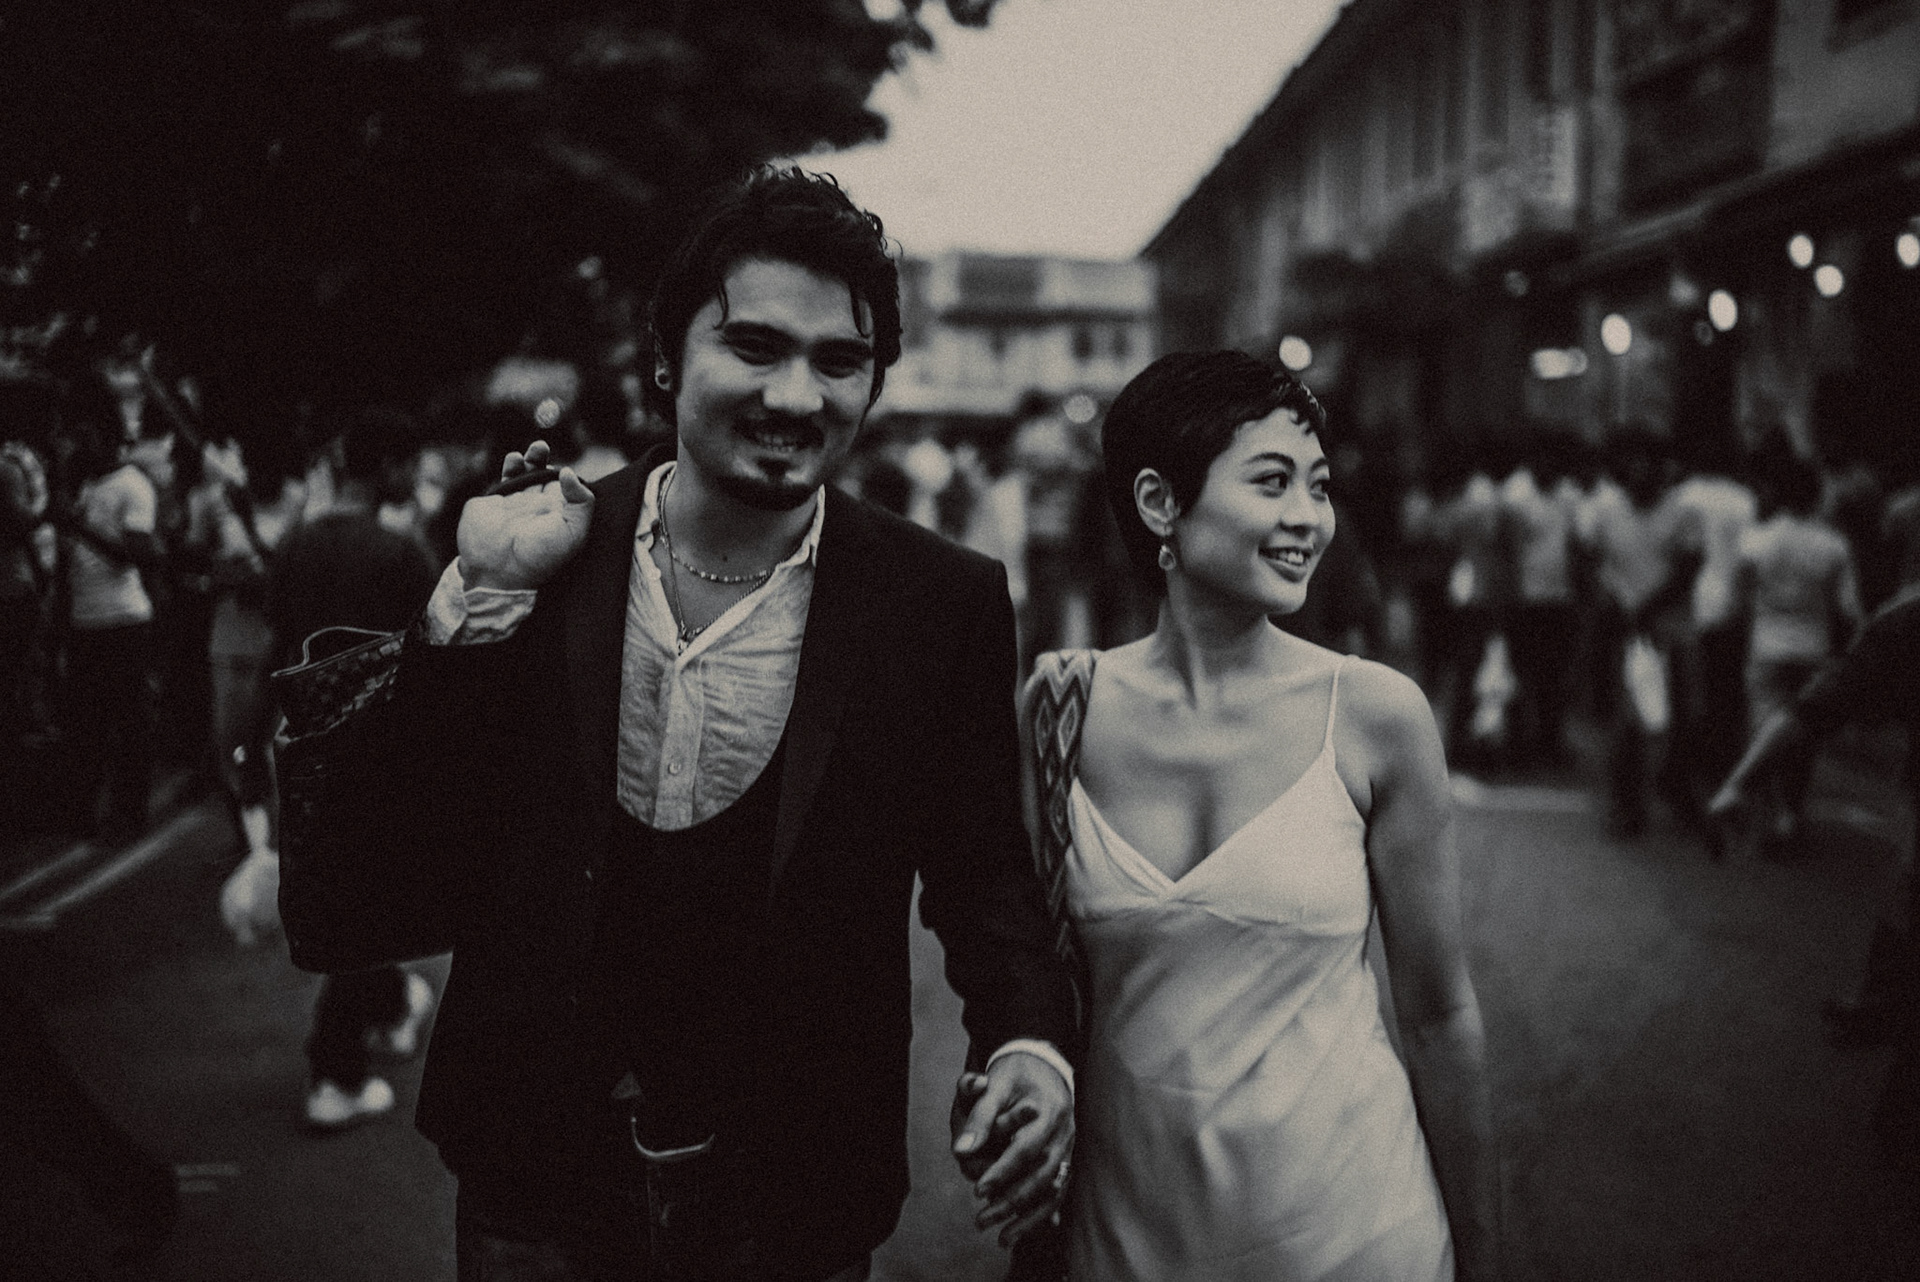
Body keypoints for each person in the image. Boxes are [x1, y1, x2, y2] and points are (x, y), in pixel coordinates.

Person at [284, 167, 1077, 1280]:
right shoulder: (538, 551)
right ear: (668, 358)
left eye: (839, 361)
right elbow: (404, 849)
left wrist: (1031, 1042)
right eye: (753, 346)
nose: (796, 396)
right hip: (536, 1179)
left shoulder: (936, 600)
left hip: (794, 1196)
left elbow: (984, 867)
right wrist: (462, 620)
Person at [1030, 351, 1497, 1280]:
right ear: (1161, 503)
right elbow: (1023, 971)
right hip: (1124, 1239)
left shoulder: (1374, 716)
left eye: (1319, 488)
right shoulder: (1059, 711)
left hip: (1357, 1234)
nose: (1308, 520)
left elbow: (1440, 1013)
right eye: (1273, 482)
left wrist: (1484, 1263)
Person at [219, 409, 440, 1128]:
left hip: (301, 744)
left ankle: (387, 1001)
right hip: (380, 751)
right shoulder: (400, 555)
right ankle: (333, 1068)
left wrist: (250, 754)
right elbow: (435, 662)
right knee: (366, 900)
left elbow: (275, 650)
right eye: (412, 464)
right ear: (392, 469)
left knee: (350, 890)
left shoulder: (295, 547)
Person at [1709, 577, 1920, 1173]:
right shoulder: (1904, 624)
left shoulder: (1905, 621)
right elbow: (1811, 711)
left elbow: (1808, 714)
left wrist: (1740, 783)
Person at [1734, 449, 1862, 852]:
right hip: (1813, 650)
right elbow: (1848, 611)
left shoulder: (1756, 539)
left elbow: (1740, 600)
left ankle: (1769, 813)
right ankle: (1792, 813)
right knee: (1802, 737)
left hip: (1767, 647)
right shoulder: (1833, 546)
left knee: (1764, 736)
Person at [55, 382, 165, 844]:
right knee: (86, 724)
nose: (79, 444)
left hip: (123, 619)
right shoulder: (83, 484)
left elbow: (137, 555)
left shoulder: (132, 485)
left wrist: (77, 525)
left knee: (127, 722)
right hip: (84, 619)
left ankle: (129, 815)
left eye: (85, 435)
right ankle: (82, 814)